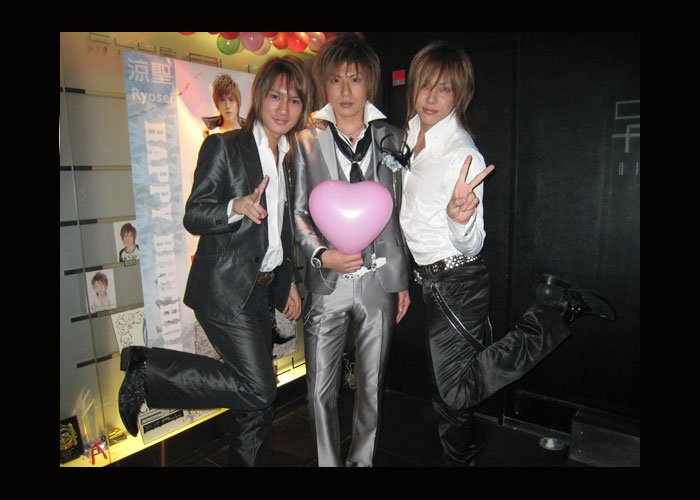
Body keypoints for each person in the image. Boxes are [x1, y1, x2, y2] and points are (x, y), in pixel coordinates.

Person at [399, 40, 616, 466]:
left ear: (459, 94)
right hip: (431, 283)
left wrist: (459, 218)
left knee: (454, 392)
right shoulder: (408, 138)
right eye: (425, 85)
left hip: (458, 281)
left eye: (444, 88)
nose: (431, 97)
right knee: (449, 395)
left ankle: (555, 313)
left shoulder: (461, 153)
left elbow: (473, 242)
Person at [117, 56, 314, 467]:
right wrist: (234, 207)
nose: (284, 107)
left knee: (255, 404)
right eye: (275, 96)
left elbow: (278, 233)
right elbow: (194, 214)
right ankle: (148, 372)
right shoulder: (224, 146)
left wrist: (289, 281)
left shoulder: (288, 159)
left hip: (260, 292)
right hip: (225, 291)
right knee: (260, 387)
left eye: (294, 100)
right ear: (259, 97)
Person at [291, 32, 411, 467]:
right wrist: (323, 255)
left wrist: (402, 280)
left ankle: (361, 463)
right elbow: (298, 213)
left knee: (372, 387)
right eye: (336, 79)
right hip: (327, 282)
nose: (345, 91)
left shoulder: (393, 138)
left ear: (369, 84)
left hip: (380, 281)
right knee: (318, 389)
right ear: (324, 83)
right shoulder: (305, 141)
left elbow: (399, 215)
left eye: (355, 79)